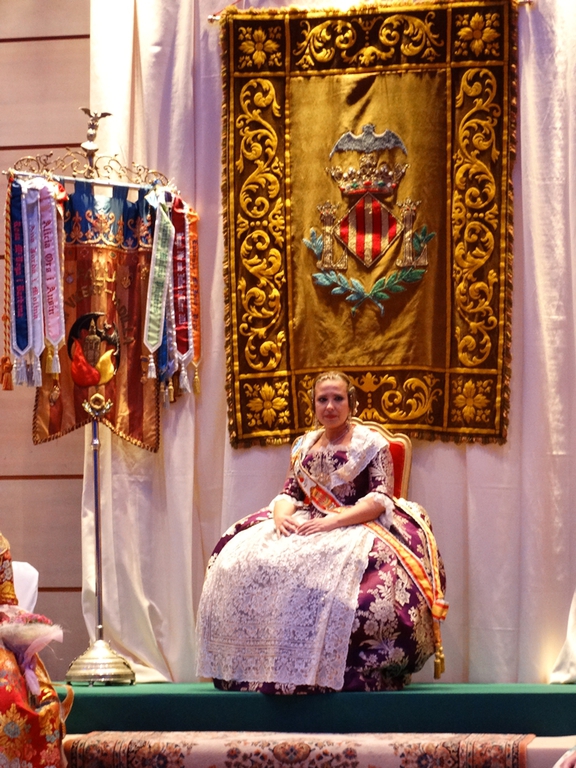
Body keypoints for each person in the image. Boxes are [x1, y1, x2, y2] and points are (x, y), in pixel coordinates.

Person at [196, 371, 446, 693]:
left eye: (337, 398)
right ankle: (264, 668)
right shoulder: (304, 446)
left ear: (351, 402)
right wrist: (281, 518)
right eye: (322, 399)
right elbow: (289, 492)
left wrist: (332, 522)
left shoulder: (372, 444)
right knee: (240, 559)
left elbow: (380, 498)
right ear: (313, 404)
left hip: (355, 521)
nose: (330, 406)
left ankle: (342, 671)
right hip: (308, 519)